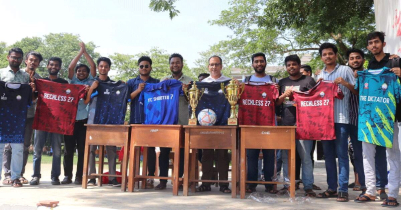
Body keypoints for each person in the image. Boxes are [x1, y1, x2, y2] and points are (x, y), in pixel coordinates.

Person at [355, 31, 400, 207]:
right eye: (371, 43)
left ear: (383, 43)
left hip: (390, 117)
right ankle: (371, 191)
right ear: (368, 47)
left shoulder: (395, 61)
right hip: (368, 118)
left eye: (377, 42)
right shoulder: (369, 66)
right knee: (367, 155)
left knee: (393, 155)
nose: (374, 45)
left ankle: (393, 193)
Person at [315, 43, 356, 202]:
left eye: (330, 54)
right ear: (321, 57)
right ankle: (332, 188)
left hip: (341, 119)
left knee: (342, 154)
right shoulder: (320, 76)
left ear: (336, 54)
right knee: (329, 156)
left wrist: (345, 83)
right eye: (324, 54)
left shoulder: (345, 70)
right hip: (325, 122)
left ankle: (343, 189)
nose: (327, 57)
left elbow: (357, 90)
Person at [276, 54, 317, 197]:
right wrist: (283, 95)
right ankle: (288, 185)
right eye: (288, 65)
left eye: (294, 64)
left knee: (305, 157)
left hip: (305, 126)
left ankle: (308, 187)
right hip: (286, 125)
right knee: (286, 157)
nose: (291, 67)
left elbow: (315, 101)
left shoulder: (308, 80)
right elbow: (275, 103)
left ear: (299, 66)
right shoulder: (282, 82)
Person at [2, 51, 42, 185]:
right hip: (2, 116)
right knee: (3, 147)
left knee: (19, 147)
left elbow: (32, 99)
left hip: (21, 116)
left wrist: (31, 89)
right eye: (13, 57)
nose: (15, 59)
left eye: (18, 58)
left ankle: (16, 177)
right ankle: (7, 175)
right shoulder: (1, 74)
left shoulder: (26, 77)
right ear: (8, 58)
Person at [154, 53, 193, 190]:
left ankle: (181, 180)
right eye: (172, 63)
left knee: (182, 152)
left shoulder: (189, 81)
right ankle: (163, 180)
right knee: (164, 152)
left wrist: (186, 91)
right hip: (166, 122)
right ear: (169, 65)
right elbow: (158, 99)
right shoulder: (163, 80)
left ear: (182, 64)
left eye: (177, 62)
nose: (175, 65)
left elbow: (193, 102)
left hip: (183, 121)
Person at [243, 52, 278, 194]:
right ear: (252, 64)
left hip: (269, 123)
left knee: (270, 154)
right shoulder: (246, 81)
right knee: (252, 155)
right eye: (256, 61)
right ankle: (251, 183)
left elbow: (278, 102)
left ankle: (269, 184)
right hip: (251, 125)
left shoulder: (273, 80)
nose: (259, 64)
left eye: (261, 61)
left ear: (265, 63)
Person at [196, 55, 232, 193]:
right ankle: (205, 183)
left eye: (216, 64)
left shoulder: (228, 83)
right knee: (206, 154)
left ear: (221, 66)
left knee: (222, 155)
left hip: (223, 123)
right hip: (207, 124)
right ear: (208, 67)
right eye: (211, 64)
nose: (214, 67)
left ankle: (223, 185)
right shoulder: (203, 83)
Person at [30, 57, 68, 185]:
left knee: (57, 150)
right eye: (51, 64)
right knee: (37, 150)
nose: (53, 67)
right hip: (41, 119)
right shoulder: (40, 82)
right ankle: (35, 176)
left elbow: (70, 100)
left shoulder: (64, 83)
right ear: (47, 66)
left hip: (58, 122)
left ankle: (55, 176)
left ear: (59, 68)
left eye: (56, 65)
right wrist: (33, 87)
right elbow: (34, 98)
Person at [61, 42, 95, 185]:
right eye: (79, 70)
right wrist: (79, 53)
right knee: (68, 150)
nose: (81, 72)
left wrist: (85, 52)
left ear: (87, 74)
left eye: (83, 71)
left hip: (83, 121)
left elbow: (93, 66)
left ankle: (79, 176)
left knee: (82, 150)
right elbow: (70, 67)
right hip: (70, 121)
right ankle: (67, 176)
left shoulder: (91, 82)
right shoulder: (72, 81)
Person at [85, 57, 121, 187]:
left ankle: (112, 177)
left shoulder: (114, 84)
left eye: (106, 66)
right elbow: (86, 101)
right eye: (101, 66)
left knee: (111, 148)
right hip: (93, 120)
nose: (103, 68)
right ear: (98, 68)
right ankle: (92, 176)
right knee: (91, 149)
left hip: (108, 120)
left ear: (109, 68)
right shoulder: (91, 83)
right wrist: (92, 88)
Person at [127, 56, 160, 189]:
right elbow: (127, 99)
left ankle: (150, 177)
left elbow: (160, 100)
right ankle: (133, 176)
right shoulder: (131, 82)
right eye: (141, 66)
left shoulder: (156, 82)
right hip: (135, 120)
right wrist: (139, 90)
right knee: (134, 149)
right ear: (138, 68)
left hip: (151, 121)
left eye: (146, 66)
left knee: (150, 150)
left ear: (150, 67)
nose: (144, 68)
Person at [345, 49, 366, 193]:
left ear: (363, 60)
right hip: (350, 120)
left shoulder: (368, 75)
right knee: (354, 153)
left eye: (358, 58)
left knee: (368, 154)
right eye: (352, 58)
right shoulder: (346, 75)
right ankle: (360, 182)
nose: (355, 61)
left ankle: (371, 183)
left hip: (366, 120)